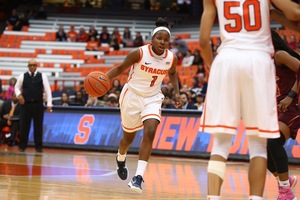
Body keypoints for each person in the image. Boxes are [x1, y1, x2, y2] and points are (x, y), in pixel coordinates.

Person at [199, 0, 300, 199]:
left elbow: (203, 42)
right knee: (258, 146)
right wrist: (273, 13)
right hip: (257, 61)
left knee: (220, 144)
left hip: (226, 60)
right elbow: (295, 13)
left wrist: (214, 66)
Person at [105, 17, 182, 193]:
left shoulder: (171, 57)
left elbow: (173, 73)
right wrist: (104, 78)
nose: (162, 42)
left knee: (150, 131)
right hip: (132, 95)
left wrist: (177, 93)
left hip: (153, 97)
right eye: (159, 38)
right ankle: (121, 157)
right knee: (128, 139)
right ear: (152, 39)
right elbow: (119, 69)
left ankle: (138, 177)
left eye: (166, 40)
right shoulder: (139, 53)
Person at [267, 29, 300, 200]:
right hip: (276, 107)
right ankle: (285, 182)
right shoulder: (264, 62)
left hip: (293, 105)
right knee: (260, 149)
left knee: (273, 141)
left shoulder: (280, 55)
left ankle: (285, 191)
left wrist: (290, 96)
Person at [14, 59, 53, 153]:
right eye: (30, 65)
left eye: (33, 65)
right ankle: (22, 146)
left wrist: (49, 104)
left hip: (38, 104)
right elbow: (16, 87)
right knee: (24, 126)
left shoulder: (42, 76)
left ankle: (38, 147)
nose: (32, 67)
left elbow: (48, 90)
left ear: (36, 66)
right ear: (28, 66)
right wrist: (19, 95)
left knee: (38, 126)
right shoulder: (22, 76)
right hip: (25, 104)